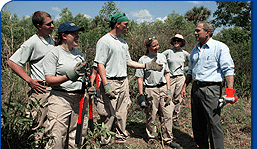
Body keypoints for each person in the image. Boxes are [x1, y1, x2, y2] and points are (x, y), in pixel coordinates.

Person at [93, 13, 163, 145]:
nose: (127, 27)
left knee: (122, 111)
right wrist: (105, 83)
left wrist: (146, 65)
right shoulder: (104, 41)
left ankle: (120, 138)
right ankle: (105, 141)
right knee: (108, 113)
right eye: (125, 24)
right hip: (111, 81)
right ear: (117, 24)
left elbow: (128, 62)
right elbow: (100, 63)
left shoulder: (123, 43)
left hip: (123, 81)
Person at [180, 21, 235, 149]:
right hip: (196, 88)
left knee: (213, 123)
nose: (195, 33)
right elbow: (190, 70)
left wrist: (230, 92)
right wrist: (185, 86)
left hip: (211, 89)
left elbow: (228, 70)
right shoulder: (195, 49)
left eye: (198, 31)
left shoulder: (219, 47)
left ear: (208, 32)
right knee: (197, 123)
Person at [43, 22, 88, 148]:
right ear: (64, 35)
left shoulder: (79, 54)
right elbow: (49, 80)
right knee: (56, 138)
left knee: (76, 138)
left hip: (79, 99)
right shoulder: (54, 53)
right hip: (60, 98)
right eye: (74, 33)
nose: (77, 36)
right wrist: (68, 76)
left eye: (78, 33)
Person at [7, 11, 55, 130]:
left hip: (54, 89)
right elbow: (12, 62)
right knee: (38, 125)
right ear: (39, 26)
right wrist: (29, 80)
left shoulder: (52, 41)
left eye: (52, 23)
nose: (52, 26)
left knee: (51, 126)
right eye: (48, 24)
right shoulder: (32, 42)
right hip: (41, 90)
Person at [135, 36, 181, 149]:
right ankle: (152, 137)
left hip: (163, 88)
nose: (157, 47)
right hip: (151, 90)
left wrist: (169, 90)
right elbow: (140, 78)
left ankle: (168, 139)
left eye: (157, 45)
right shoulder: (143, 60)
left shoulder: (162, 57)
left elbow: (167, 73)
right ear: (147, 47)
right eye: (154, 45)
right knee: (151, 114)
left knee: (167, 114)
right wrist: (141, 95)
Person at [162, 34, 190, 127]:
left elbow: (193, 63)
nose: (176, 42)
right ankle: (166, 116)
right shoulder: (168, 52)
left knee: (178, 98)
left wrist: (185, 69)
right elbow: (160, 60)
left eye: (178, 40)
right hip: (170, 77)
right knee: (168, 96)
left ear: (182, 42)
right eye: (175, 40)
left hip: (180, 78)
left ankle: (175, 117)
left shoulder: (184, 53)